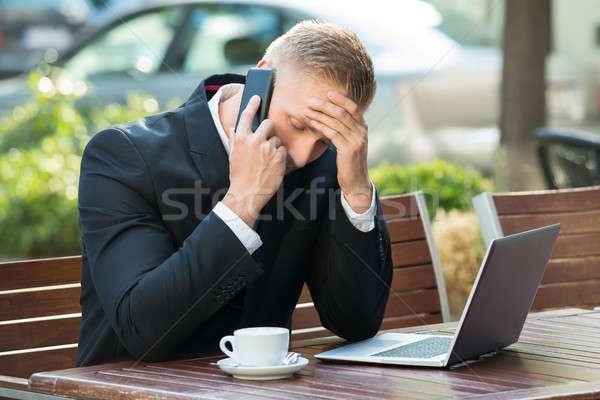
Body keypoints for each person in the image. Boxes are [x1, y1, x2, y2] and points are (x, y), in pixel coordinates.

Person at [76, 20, 393, 367]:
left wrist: (358, 191)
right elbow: (143, 331)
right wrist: (244, 200)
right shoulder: (123, 157)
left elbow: (356, 322)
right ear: (261, 78)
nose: (302, 156)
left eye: (324, 140)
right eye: (298, 125)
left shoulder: (324, 167)